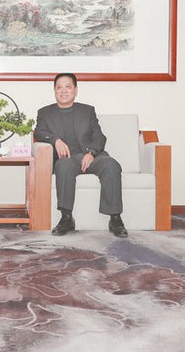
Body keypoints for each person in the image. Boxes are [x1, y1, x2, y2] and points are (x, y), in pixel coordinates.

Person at [34, 72, 127, 237]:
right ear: (55, 91)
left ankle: (115, 219)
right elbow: (39, 132)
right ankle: (66, 218)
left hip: (91, 157)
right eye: (59, 87)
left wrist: (91, 152)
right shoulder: (45, 113)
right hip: (67, 159)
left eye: (68, 87)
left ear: (75, 90)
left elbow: (99, 137)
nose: (63, 91)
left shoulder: (87, 111)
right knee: (63, 165)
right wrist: (56, 140)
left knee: (111, 165)